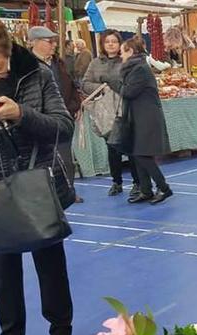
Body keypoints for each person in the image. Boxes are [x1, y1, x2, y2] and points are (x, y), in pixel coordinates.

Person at [0, 12, 80, 335]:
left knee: (52, 267)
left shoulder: (37, 75)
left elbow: (63, 127)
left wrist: (21, 113)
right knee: (3, 273)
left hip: (39, 187)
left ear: (8, 53)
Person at [28, 26, 83, 204]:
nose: (53, 45)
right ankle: (45, 196)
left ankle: (68, 192)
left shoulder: (59, 63)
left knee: (66, 159)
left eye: (54, 41)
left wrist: (75, 106)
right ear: (34, 43)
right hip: (39, 120)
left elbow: (72, 85)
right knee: (42, 161)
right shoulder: (26, 66)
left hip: (62, 118)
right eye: (49, 41)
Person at [83, 29, 141, 198]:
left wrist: (118, 87)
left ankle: (137, 182)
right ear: (102, 44)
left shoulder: (126, 61)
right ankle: (117, 182)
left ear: (119, 43)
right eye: (107, 41)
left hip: (125, 107)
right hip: (104, 111)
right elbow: (85, 83)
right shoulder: (95, 63)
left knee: (130, 147)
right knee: (112, 147)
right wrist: (101, 89)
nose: (110, 44)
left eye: (114, 41)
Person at [118, 38, 172, 204]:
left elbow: (128, 92)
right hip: (140, 116)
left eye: (122, 52)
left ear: (130, 51)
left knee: (142, 155)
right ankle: (146, 190)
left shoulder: (140, 69)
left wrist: (112, 81)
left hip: (147, 117)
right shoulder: (137, 67)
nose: (121, 56)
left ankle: (164, 188)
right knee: (137, 153)